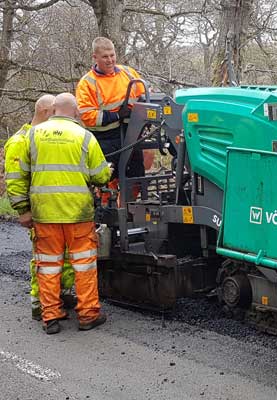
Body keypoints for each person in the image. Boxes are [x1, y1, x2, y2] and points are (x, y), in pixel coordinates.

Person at [7, 92, 112, 334]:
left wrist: (23, 208)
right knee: (84, 265)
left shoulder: (32, 136)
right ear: (75, 112)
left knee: (48, 266)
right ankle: (88, 315)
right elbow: (100, 175)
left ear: (54, 110)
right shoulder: (84, 136)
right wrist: (107, 170)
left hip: (45, 215)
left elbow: (18, 175)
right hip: (78, 215)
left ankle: (51, 317)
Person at [3, 94, 75, 320]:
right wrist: (23, 211)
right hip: (38, 211)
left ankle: (59, 295)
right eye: (55, 113)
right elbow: (15, 179)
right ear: (46, 112)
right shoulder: (20, 140)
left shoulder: (45, 136)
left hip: (55, 210)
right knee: (44, 258)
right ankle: (40, 302)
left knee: (62, 257)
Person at [76, 36, 146, 204]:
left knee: (136, 177)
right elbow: (87, 115)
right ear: (95, 57)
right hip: (105, 140)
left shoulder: (129, 73)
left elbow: (144, 95)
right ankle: (107, 215)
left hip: (131, 134)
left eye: (112, 55)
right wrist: (115, 116)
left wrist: (138, 111)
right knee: (106, 179)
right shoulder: (87, 83)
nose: (110, 60)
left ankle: (128, 210)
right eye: (105, 56)